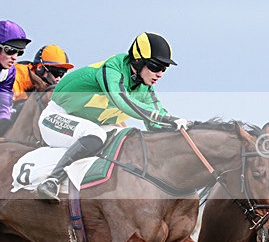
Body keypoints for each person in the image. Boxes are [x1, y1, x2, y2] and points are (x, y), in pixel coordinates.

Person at [36, 32, 190, 203]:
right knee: (96, 135)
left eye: (164, 69)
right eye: (155, 67)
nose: (160, 73)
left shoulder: (144, 89)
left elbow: (156, 124)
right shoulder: (112, 69)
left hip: (90, 124)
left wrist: (188, 128)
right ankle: (51, 181)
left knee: (128, 138)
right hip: (56, 118)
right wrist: (165, 118)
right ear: (138, 62)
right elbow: (122, 101)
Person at [0, 20, 32, 135]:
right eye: (10, 51)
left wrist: (4, 119)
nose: (14, 58)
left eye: (19, 53)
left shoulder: (9, 71)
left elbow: (3, 95)